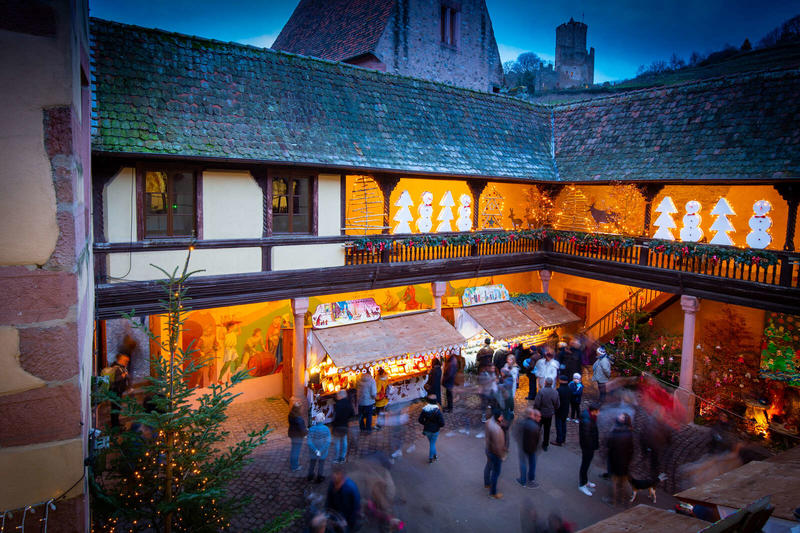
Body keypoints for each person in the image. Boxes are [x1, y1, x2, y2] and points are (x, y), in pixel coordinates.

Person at [607, 413, 634, 506]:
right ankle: (623, 500)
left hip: (615, 461)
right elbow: (631, 449)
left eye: (621, 416)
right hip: (625, 462)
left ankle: (613, 500)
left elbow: (609, 446)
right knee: (623, 482)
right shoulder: (629, 433)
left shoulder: (615, 433)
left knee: (614, 482)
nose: (619, 416)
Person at [327, 466, 361, 532]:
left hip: (347, 520)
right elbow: (329, 499)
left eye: (337, 474)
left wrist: (349, 522)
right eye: (333, 473)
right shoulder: (332, 484)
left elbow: (356, 506)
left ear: (342, 475)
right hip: (336, 516)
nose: (334, 476)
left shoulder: (350, 488)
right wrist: (328, 514)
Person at [578, 403, 600, 496]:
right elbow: (587, 436)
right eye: (597, 411)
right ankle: (582, 484)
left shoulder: (590, 417)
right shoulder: (587, 420)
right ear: (593, 411)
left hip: (589, 445)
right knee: (585, 464)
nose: (599, 413)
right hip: (587, 446)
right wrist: (592, 446)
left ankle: (585, 481)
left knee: (586, 464)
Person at [516, 407, 541, 488]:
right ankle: (531, 479)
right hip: (532, 448)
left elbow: (517, 434)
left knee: (523, 463)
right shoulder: (535, 425)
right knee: (532, 463)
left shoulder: (522, 423)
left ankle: (523, 481)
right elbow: (538, 439)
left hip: (523, 447)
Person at [104, 353, 131, 428]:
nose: (127, 362)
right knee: (115, 408)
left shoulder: (121, 367)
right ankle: (115, 425)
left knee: (117, 408)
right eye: (125, 361)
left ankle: (117, 424)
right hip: (115, 391)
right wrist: (123, 375)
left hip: (119, 391)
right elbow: (115, 380)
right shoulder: (116, 368)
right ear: (121, 360)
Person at [484, 410, 506, 499]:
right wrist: (501, 456)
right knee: (496, 472)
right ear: (497, 418)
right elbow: (498, 446)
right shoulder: (497, 430)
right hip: (495, 453)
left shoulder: (488, 422)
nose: (502, 418)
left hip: (488, 449)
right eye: (501, 416)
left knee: (488, 466)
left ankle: (487, 484)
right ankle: (493, 492)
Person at [533, 377, 559, 451]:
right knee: (547, 429)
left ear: (545, 382)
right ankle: (545, 444)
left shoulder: (541, 391)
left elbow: (537, 403)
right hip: (549, 414)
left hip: (540, 413)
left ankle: (535, 443)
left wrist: (535, 410)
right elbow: (557, 404)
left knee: (538, 429)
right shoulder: (555, 392)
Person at [418, 394, 445, 463]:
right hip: (435, 430)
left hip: (427, 430)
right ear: (435, 401)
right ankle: (430, 458)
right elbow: (442, 423)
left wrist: (426, 424)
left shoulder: (424, 410)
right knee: (432, 443)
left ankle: (435, 455)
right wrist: (437, 426)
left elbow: (420, 420)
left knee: (432, 443)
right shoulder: (437, 411)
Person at [307, 412, 331, 483]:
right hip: (322, 452)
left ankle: (310, 476)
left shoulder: (311, 429)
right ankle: (319, 478)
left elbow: (309, 442)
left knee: (312, 463)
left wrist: (315, 450)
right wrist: (320, 451)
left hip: (313, 451)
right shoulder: (326, 429)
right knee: (321, 464)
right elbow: (328, 442)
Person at [331, 389, 355, 463]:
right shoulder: (348, 404)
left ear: (341, 396)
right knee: (344, 442)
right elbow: (352, 414)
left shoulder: (337, 405)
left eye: (338, 395)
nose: (337, 396)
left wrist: (333, 425)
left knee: (337, 443)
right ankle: (342, 458)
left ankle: (336, 458)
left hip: (338, 426)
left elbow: (336, 416)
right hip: (345, 425)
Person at [288, 400, 308, 472]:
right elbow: (302, 429)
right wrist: (306, 433)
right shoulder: (299, 419)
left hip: (292, 434)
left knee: (294, 449)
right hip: (297, 436)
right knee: (296, 451)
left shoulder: (290, 414)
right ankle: (294, 466)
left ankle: (294, 463)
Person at [554, 375, 571, 446]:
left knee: (559, 425)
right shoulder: (569, 389)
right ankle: (563, 438)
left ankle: (559, 440)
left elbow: (556, 400)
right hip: (566, 409)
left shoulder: (559, 390)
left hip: (559, 409)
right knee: (564, 425)